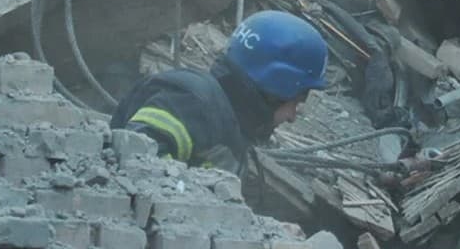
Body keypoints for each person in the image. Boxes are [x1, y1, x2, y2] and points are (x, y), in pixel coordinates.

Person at [109, 10, 329, 173]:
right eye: (296, 101)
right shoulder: (190, 104)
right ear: (276, 88)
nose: (292, 117)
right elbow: (136, 166)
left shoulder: (227, 121)